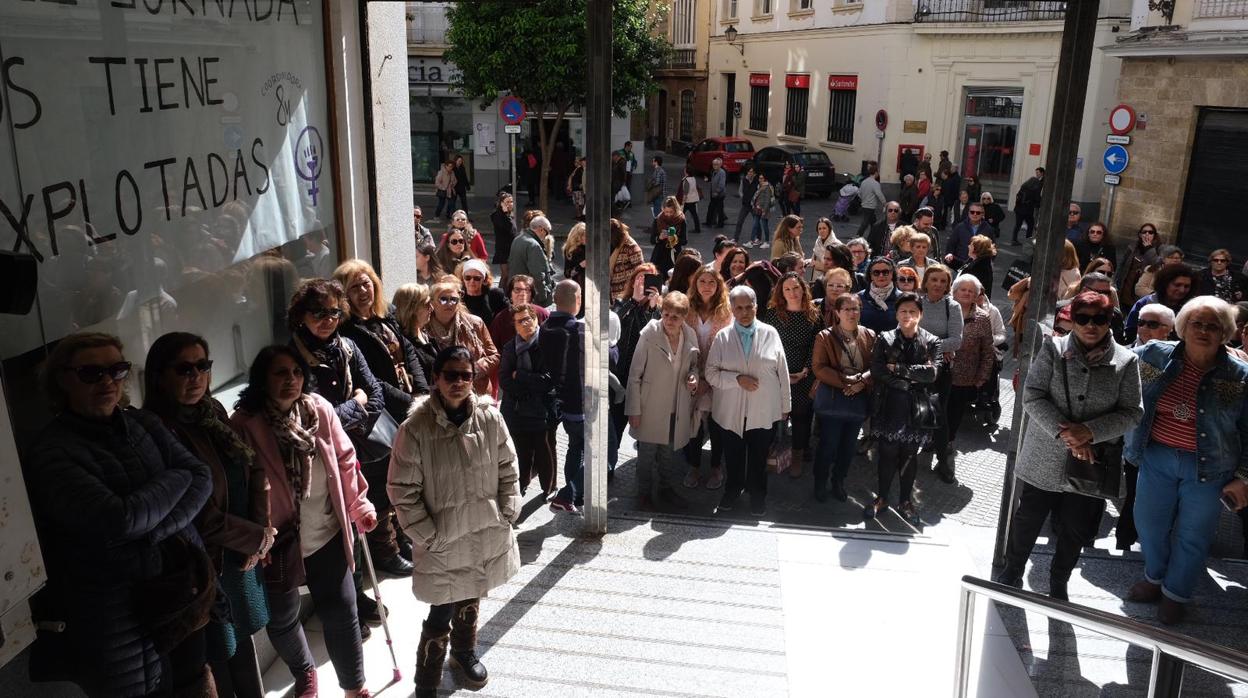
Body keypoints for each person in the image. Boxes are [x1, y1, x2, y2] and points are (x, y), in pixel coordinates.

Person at [26, 333, 213, 697]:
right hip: (118, 620)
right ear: (62, 379)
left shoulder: (142, 423)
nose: (108, 381)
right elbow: (120, 519)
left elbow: (202, 477)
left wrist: (153, 531)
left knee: (194, 684)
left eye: (117, 370)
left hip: (180, 595)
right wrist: (177, 477)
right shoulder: (52, 453)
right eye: (91, 373)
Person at [231, 345, 377, 698]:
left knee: (342, 612)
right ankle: (305, 670)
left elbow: (344, 459)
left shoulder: (319, 409)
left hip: (326, 530)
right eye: (280, 373)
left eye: (296, 372)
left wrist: (359, 504)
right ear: (262, 379)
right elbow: (238, 485)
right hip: (278, 540)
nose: (290, 380)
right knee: (282, 619)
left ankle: (354, 687)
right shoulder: (244, 424)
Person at [143, 333, 274, 698]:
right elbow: (192, 513)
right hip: (206, 563)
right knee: (219, 653)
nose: (196, 375)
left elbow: (253, 467)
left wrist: (260, 532)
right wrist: (253, 537)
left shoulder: (212, 411)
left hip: (242, 553)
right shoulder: (155, 429)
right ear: (159, 375)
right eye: (184, 368)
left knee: (243, 643)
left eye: (203, 365)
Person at [388, 346, 520, 697]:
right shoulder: (415, 428)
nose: (459, 382)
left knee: (473, 591)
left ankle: (464, 653)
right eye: (451, 375)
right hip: (443, 539)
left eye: (466, 375)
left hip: (483, 529)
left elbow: (508, 466)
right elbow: (402, 491)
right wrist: (429, 536)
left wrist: (508, 508)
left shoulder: (490, 418)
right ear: (436, 379)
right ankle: (426, 681)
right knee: (440, 610)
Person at [995, 290, 1143, 599]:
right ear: (1073, 320)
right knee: (1028, 518)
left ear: (1110, 321)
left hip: (1094, 460)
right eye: (1083, 319)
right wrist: (1068, 435)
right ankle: (1013, 570)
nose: (1092, 326)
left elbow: (1132, 412)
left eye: (1099, 319)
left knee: (1076, 526)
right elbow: (1032, 396)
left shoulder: (1127, 361)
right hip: (1045, 455)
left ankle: (1059, 580)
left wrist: (1089, 432)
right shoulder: (1052, 350)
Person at [1124, 296, 1248, 623]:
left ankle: (1175, 593)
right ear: (1182, 326)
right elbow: (1114, 370)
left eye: (1213, 326)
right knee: (1149, 525)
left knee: (1194, 534)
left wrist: (1244, 477)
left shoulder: (1240, 374)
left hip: (1210, 468)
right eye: (1197, 323)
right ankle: (1154, 577)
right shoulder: (1153, 354)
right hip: (1156, 457)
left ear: (1225, 333)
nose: (1204, 331)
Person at [287, 279, 406, 591]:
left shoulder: (347, 347)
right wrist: (356, 403)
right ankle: (349, 593)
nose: (328, 320)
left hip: (356, 449)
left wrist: (349, 411)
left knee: (367, 509)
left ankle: (367, 577)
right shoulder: (292, 360)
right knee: (339, 527)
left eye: (334, 313)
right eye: (319, 313)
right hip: (322, 460)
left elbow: (376, 395)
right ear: (301, 314)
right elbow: (312, 420)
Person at [706, 285, 792, 517]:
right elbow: (711, 373)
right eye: (739, 307)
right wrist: (737, 379)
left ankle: (758, 494)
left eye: (749, 306)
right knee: (732, 456)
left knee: (758, 457)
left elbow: (782, 371)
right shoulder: (723, 337)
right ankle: (732, 490)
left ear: (756, 306)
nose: (744, 312)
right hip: (730, 410)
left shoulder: (770, 333)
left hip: (763, 409)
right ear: (732, 309)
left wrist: (786, 406)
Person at [862, 293, 943, 524]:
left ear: (921, 315)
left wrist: (897, 368)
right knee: (886, 453)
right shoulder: (885, 338)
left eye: (913, 312)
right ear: (896, 314)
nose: (908, 316)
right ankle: (882, 497)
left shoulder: (932, 341)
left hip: (916, 408)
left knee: (909, 454)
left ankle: (905, 500)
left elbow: (932, 373)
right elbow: (877, 370)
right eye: (903, 311)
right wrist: (906, 381)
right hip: (889, 404)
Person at [1114, 303, 1178, 551]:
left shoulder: (1178, 360)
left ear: (1169, 329)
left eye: (1153, 324)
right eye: (1141, 322)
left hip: (1161, 443)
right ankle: (1124, 543)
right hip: (1128, 441)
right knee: (1132, 497)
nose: (1145, 329)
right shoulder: (1123, 353)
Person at [627, 291, 700, 510]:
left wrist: (693, 376)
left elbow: (694, 365)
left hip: (676, 406)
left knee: (669, 454)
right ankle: (643, 493)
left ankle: (666, 490)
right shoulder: (649, 334)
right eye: (666, 315)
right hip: (650, 406)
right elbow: (634, 374)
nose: (669, 320)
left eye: (675, 317)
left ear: (684, 317)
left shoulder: (690, 336)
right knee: (647, 456)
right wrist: (634, 410)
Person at [811, 294, 875, 502]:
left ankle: (838, 481)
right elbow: (819, 367)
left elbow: (876, 366)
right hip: (833, 397)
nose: (851, 313)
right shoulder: (825, 336)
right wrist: (846, 382)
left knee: (848, 446)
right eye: (846, 309)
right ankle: (820, 482)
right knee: (828, 445)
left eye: (855, 308)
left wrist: (861, 382)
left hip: (858, 399)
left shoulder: (869, 334)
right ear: (837, 312)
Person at [764, 272, 821, 479]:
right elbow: (765, 343)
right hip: (775, 372)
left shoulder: (814, 313)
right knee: (772, 416)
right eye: (787, 289)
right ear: (781, 292)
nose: (792, 292)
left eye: (796, 288)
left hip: (803, 374)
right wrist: (781, 373)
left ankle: (797, 454)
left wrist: (805, 370)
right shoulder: (772, 313)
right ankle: (770, 452)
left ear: (803, 289)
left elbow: (817, 344)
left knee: (800, 416)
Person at [499, 304, 558, 498]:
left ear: (536, 320)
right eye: (519, 321)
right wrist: (526, 387)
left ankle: (547, 489)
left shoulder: (547, 345)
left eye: (528, 319)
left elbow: (548, 380)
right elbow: (505, 380)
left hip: (542, 408)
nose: (525, 324)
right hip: (516, 409)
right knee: (521, 452)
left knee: (544, 450)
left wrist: (522, 375)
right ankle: (521, 488)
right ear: (514, 326)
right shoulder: (510, 347)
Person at [684, 268, 733, 490]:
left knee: (716, 425)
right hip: (692, 375)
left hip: (717, 377)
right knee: (693, 425)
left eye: (711, 282)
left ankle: (716, 467)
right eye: (702, 281)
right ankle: (693, 466)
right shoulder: (688, 310)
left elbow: (727, 348)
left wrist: (710, 378)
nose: (706, 286)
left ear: (718, 285)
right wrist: (696, 376)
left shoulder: (726, 313)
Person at [916, 264, 963, 482]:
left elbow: (956, 340)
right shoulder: (916, 302)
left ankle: (943, 460)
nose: (938, 285)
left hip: (938, 370)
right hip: (913, 366)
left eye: (943, 281)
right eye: (934, 280)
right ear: (926, 282)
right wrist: (940, 346)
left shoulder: (952, 307)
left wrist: (929, 347)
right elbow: (907, 331)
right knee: (913, 409)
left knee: (938, 414)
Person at [545, 280, 587, 514]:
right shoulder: (578, 330)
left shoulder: (545, 326)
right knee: (602, 455)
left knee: (575, 447)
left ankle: (573, 497)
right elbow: (608, 357)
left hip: (560, 400)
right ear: (578, 300)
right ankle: (567, 494)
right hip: (581, 401)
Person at [946, 275, 995, 450]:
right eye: (963, 289)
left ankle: (948, 442)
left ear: (976, 295)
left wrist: (982, 377)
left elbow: (988, 350)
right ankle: (932, 439)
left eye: (971, 291)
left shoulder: (982, 318)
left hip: (965, 377)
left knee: (955, 411)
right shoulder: (943, 310)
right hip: (939, 371)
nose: (967, 293)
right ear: (954, 291)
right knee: (937, 408)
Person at [426, 280, 500, 397]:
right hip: (438, 394)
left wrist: (478, 367)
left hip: (475, 391)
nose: (449, 303)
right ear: (432, 302)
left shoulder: (474, 324)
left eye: (453, 299)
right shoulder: (424, 327)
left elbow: (494, 356)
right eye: (443, 299)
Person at [1125, 263, 1196, 344]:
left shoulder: (1190, 309)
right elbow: (1130, 332)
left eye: (1186, 286)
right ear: (1165, 284)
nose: (1182, 290)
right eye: (1177, 285)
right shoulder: (1146, 303)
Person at [489, 274, 551, 350]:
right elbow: (492, 349)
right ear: (510, 294)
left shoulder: (542, 314)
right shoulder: (501, 319)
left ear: (532, 294)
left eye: (527, 290)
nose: (522, 294)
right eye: (517, 290)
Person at [393, 283, 439, 383]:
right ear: (411, 309)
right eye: (427, 304)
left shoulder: (424, 333)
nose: (432, 308)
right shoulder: (401, 344)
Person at [508, 215, 555, 306]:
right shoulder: (534, 245)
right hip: (529, 295)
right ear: (541, 229)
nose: (547, 236)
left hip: (518, 290)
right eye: (547, 232)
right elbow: (538, 274)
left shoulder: (518, 239)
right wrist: (543, 296)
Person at [1118, 223, 1161, 312]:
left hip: (1142, 288)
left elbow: (1157, 265)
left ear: (1155, 235)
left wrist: (1149, 249)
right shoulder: (1132, 247)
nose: (1147, 234)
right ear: (1140, 234)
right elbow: (1122, 265)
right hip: (1127, 287)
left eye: (1150, 232)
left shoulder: (1159, 250)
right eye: (1144, 232)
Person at [945, 201, 993, 267]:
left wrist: (987, 263)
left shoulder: (988, 229)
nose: (975, 214)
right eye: (972, 212)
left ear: (983, 214)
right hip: (960, 264)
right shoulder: (960, 227)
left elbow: (992, 248)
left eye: (978, 213)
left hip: (979, 266)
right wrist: (949, 255)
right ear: (968, 213)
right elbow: (951, 244)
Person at [859, 257, 901, 333]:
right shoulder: (859, 297)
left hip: (893, 343)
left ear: (892, 274)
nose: (881, 276)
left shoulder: (902, 298)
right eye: (876, 273)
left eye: (885, 272)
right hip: (867, 342)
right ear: (871, 276)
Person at [651, 196, 688, 277]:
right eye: (666, 212)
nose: (668, 214)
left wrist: (675, 238)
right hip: (659, 255)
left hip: (674, 255)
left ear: (676, 210)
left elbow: (684, 240)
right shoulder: (658, 219)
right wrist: (659, 238)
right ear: (663, 209)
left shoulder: (681, 220)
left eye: (671, 212)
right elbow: (652, 240)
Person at [609, 218, 645, 301]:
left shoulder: (631, 246)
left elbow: (640, 269)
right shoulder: (615, 245)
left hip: (626, 291)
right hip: (614, 289)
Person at [1011, 167, 1044, 243]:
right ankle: (1028, 240)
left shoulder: (1023, 187)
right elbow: (1037, 200)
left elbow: (1018, 196)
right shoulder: (1034, 191)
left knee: (1017, 225)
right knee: (1030, 224)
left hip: (1018, 209)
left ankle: (1014, 239)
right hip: (1027, 210)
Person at [490, 192, 517, 284]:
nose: (510, 204)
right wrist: (505, 213)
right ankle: (500, 295)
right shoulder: (497, 215)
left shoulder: (509, 215)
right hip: (503, 249)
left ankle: (507, 294)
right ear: (501, 203)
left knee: (510, 275)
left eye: (511, 201)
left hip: (512, 248)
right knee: (505, 275)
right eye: (507, 202)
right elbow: (506, 227)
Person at [960, 234, 997, 299]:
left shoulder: (980, 267)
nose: (968, 246)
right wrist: (951, 261)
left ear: (977, 249)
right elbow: (962, 268)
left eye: (971, 245)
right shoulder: (973, 260)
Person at [856, 163, 885, 237]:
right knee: (865, 222)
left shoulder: (864, 182)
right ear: (875, 173)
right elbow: (879, 194)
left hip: (864, 204)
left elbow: (859, 193)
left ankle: (873, 235)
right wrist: (885, 203)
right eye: (878, 172)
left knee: (873, 222)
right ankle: (858, 236)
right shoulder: (875, 183)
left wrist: (863, 199)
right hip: (870, 206)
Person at [749, 172, 776, 249]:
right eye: (759, 178)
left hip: (764, 209)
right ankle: (751, 241)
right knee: (755, 225)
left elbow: (767, 200)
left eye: (761, 178)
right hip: (758, 208)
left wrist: (764, 210)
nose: (760, 180)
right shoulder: (760, 186)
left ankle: (767, 242)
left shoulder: (767, 187)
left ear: (765, 179)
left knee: (764, 225)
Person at [735, 166, 759, 242]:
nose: (749, 173)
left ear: (754, 173)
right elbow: (740, 190)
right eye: (749, 172)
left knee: (756, 222)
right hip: (745, 204)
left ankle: (758, 238)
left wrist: (755, 201)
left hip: (753, 205)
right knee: (739, 221)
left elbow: (759, 192)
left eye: (751, 172)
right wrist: (743, 197)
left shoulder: (757, 181)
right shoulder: (744, 180)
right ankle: (735, 238)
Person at [677, 165, 703, 235]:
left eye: (685, 170)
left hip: (687, 201)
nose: (684, 171)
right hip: (693, 200)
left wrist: (682, 202)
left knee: (680, 214)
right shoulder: (693, 178)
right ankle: (697, 229)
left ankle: (678, 228)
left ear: (686, 171)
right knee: (694, 215)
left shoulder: (686, 180)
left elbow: (685, 192)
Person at [563, 222, 588, 291]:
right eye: (583, 235)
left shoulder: (590, 247)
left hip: (592, 285)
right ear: (577, 236)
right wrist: (580, 266)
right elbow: (567, 274)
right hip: (579, 287)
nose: (586, 237)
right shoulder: (570, 250)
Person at [707, 157, 728, 227]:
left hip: (719, 194)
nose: (714, 166)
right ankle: (709, 222)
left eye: (716, 164)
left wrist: (717, 192)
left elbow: (721, 184)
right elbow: (713, 181)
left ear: (720, 165)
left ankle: (720, 224)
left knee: (719, 209)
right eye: (713, 164)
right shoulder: (714, 171)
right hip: (713, 194)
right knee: (711, 208)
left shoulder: (722, 172)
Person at [568, 155, 586, 220]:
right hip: (576, 188)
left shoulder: (581, 169)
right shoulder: (578, 169)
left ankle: (580, 215)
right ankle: (580, 215)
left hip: (578, 188)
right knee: (578, 202)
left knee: (579, 203)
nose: (575, 163)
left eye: (577, 161)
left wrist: (580, 185)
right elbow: (571, 177)